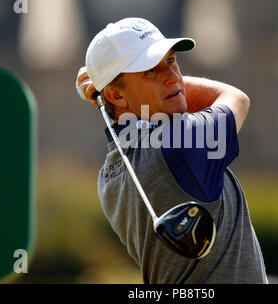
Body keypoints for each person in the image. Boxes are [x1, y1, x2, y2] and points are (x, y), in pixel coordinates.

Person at [75, 17, 268, 284]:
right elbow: (236, 99)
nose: (172, 77)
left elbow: (136, 109)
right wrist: (104, 82)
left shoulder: (108, 175)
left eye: (170, 61)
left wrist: (110, 82)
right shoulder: (180, 142)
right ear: (116, 96)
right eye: (150, 70)